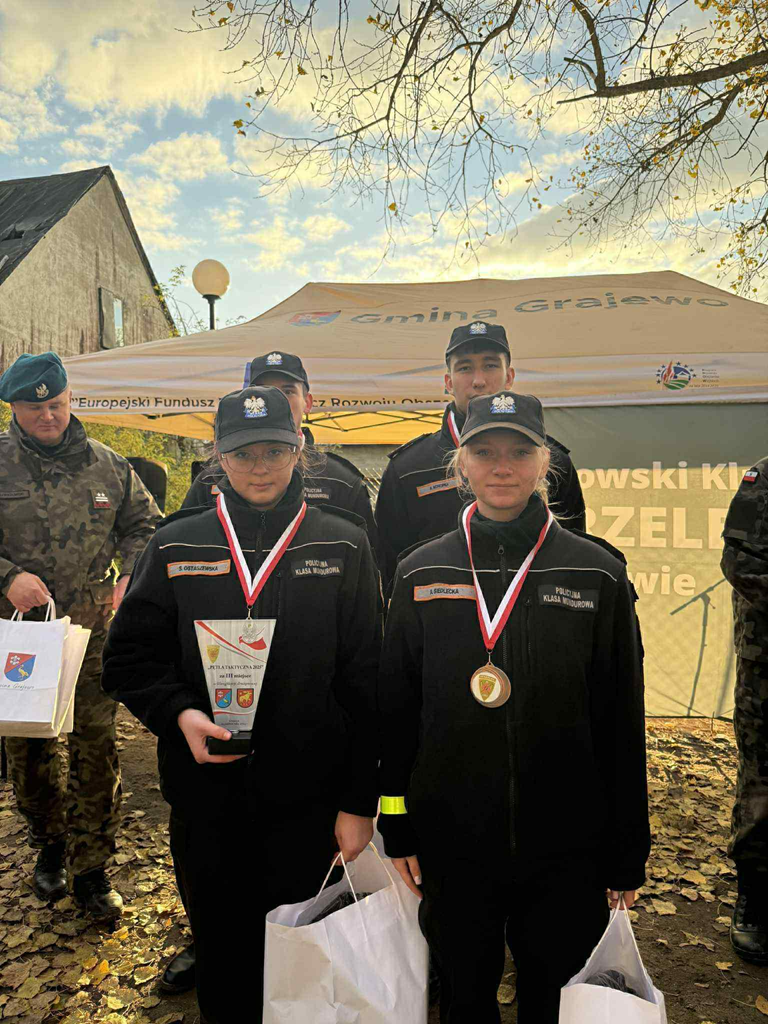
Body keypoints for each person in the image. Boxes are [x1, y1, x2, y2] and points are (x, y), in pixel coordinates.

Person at [102, 385, 381, 1024]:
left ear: (300, 448)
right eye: (243, 452)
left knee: (303, 961)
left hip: (308, 802)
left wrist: (357, 802)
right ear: (217, 457)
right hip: (207, 799)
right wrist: (178, 712)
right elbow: (128, 660)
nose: (260, 466)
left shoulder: (343, 546)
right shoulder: (176, 544)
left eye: (275, 450)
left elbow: (367, 683)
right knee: (224, 959)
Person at [377, 391, 649, 1024]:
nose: (502, 466)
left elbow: (619, 720)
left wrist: (625, 848)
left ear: (543, 462)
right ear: (461, 463)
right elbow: (398, 709)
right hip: (452, 839)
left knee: (551, 998)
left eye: (519, 451)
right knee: (464, 995)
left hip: (567, 841)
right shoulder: (420, 573)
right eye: (484, 451)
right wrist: (398, 822)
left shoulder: (597, 574)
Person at [0, 352, 160, 919]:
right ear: (13, 408)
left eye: (57, 404)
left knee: (95, 745)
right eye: (35, 407)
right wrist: (8, 575)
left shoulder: (109, 466)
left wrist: (130, 576)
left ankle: (93, 866)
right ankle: (49, 845)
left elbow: (144, 525)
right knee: (28, 744)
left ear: (71, 399)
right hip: (22, 637)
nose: (48, 416)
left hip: (93, 634)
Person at [375, 321, 586, 593]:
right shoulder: (407, 469)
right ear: (448, 382)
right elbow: (391, 569)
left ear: (509, 376)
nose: (478, 380)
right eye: (464, 368)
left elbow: (576, 559)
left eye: (490, 365)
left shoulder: (554, 462)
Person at [182, 350, 377, 548]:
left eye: (288, 391)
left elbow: (368, 559)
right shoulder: (210, 479)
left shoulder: (341, 480)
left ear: (308, 402)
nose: (275, 399)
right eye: (264, 390)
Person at [721, 455, 768, 964]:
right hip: (767, 669)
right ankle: (757, 899)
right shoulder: (766, 476)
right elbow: (742, 563)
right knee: (763, 784)